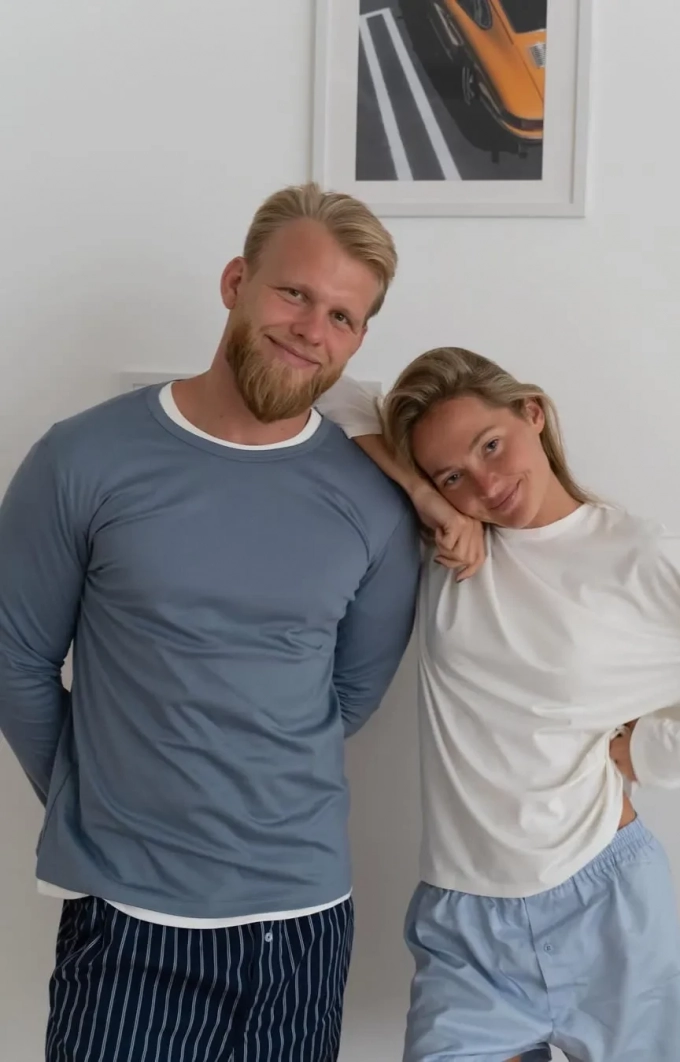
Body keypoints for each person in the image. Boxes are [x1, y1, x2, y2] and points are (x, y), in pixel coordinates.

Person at [316, 346, 680, 1062]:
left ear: (532, 413)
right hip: (465, 926)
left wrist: (661, 752)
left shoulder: (642, 555)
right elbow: (330, 387)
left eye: (491, 445)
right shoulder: (451, 547)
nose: (486, 483)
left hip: (607, 907)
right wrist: (428, 497)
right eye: (455, 474)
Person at [0, 182, 422, 1062]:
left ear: (358, 340)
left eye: (342, 317)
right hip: (128, 922)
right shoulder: (82, 458)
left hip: (301, 925)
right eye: (294, 293)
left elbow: (348, 696)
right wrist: (94, 798)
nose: (311, 329)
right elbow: (15, 659)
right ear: (236, 282)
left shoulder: (373, 502)